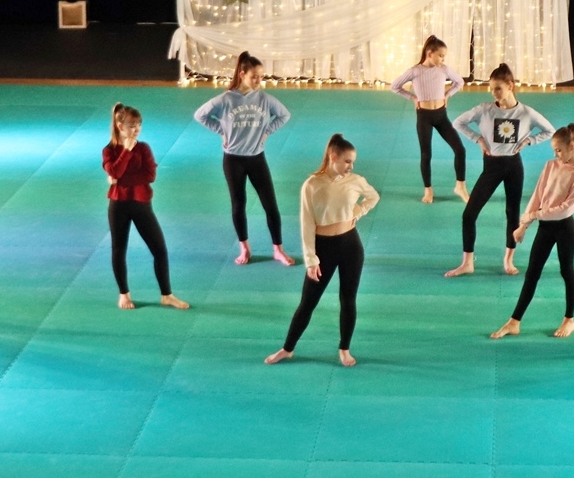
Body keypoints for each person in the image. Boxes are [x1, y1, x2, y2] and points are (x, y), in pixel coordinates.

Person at [266, 134, 380, 368]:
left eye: (353, 162)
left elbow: (373, 196)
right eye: (347, 161)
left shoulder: (356, 181)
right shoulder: (312, 185)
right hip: (323, 248)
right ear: (333, 157)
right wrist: (311, 259)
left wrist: (358, 212)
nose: (351, 166)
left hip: (351, 245)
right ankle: (287, 349)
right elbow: (307, 223)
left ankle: (344, 348)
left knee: (348, 299)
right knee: (308, 302)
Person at [446, 64, 555, 278]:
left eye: (498, 88)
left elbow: (549, 130)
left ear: (510, 86)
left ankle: (508, 259)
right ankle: (467, 262)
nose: (494, 93)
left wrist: (529, 141)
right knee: (469, 214)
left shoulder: (526, 113)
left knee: (512, 213)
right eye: (491, 88)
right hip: (491, 167)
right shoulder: (484, 109)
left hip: (513, 166)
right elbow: (458, 122)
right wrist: (478, 139)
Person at [194, 51, 296, 267]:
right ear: (242, 74)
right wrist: (221, 131)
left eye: (261, 76)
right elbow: (200, 115)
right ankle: (244, 248)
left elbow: (284, 115)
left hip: (257, 158)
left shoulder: (265, 99)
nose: (259, 80)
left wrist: (267, 131)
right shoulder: (226, 99)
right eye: (254, 76)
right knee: (238, 204)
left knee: (271, 205)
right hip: (233, 160)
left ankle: (278, 250)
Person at [491, 124, 574, 340]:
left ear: (572, 147)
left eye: (559, 150)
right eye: (554, 150)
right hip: (545, 227)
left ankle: (569, 319)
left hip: (564, 228)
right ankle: (514, 321)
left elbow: (565, 210)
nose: (556, 154)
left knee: (567, 271)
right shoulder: (551, 166)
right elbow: (537, 196)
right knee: (532, 274)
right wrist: (523, 225)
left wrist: (534, 215)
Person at [102, 103, 189, 311]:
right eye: (132, 125)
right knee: (118, 249)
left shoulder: (144, 148)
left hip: (141, 204)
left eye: (139, 125)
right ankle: (124, 294)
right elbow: (114, 170)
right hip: (118, 205)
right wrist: (125, 152)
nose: (137, 129)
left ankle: (167, 295)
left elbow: (150, 175)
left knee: (160, 249)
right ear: (120, 126)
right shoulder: (109, 150)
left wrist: (119, 180)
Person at [389, 35, 468, 204]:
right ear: (430, 53)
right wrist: (412, 98)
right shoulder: (415, 71)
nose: (443, 59)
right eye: (441, 56)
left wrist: (447, 95)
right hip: (424, 117)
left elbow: (459, 82)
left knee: (460, 150)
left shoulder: (444, 69)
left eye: (444, 56)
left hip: (441, 115)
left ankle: (460, 187)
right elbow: (394, 86)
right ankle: (428, 190)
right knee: (426, 154)